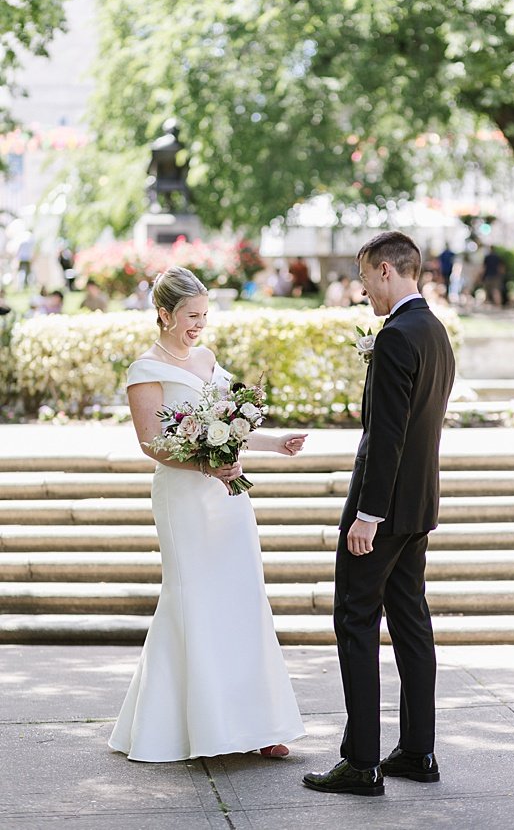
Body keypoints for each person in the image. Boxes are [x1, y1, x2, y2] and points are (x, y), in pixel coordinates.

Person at [110, 266, 309, 762]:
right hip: (185, 499)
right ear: (163, 314)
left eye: (204, 315)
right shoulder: (145, 370)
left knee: (243, 598)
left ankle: (262, 724)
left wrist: (272, 442)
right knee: (193, 599)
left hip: (229, 499)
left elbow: (229, 424)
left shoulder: (207, 358)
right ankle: (197, 728)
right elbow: (152, 443)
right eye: (191, 316)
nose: (199, 324)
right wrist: (206, 465)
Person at [303, 231, 455, 797]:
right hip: (419, 507)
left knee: (355, 622)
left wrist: (367, 515)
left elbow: (387, 435)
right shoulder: (435, 330)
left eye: (365, 276)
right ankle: (418, 751)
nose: (361, 287)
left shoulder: (395, 336)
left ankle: (361, 761)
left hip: (384, 510)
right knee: (412, 622)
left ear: (388, 271)